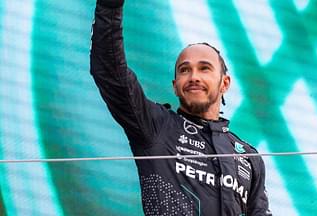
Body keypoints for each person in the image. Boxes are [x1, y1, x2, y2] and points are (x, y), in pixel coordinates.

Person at [90, 0, 272, 215]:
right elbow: (111, 73)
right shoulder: (157, 125)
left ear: (225, 83)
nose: (194, 77)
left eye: (204, 69)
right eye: (185, 70)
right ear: (175, 87)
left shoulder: (248, 157)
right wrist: (110, 7)